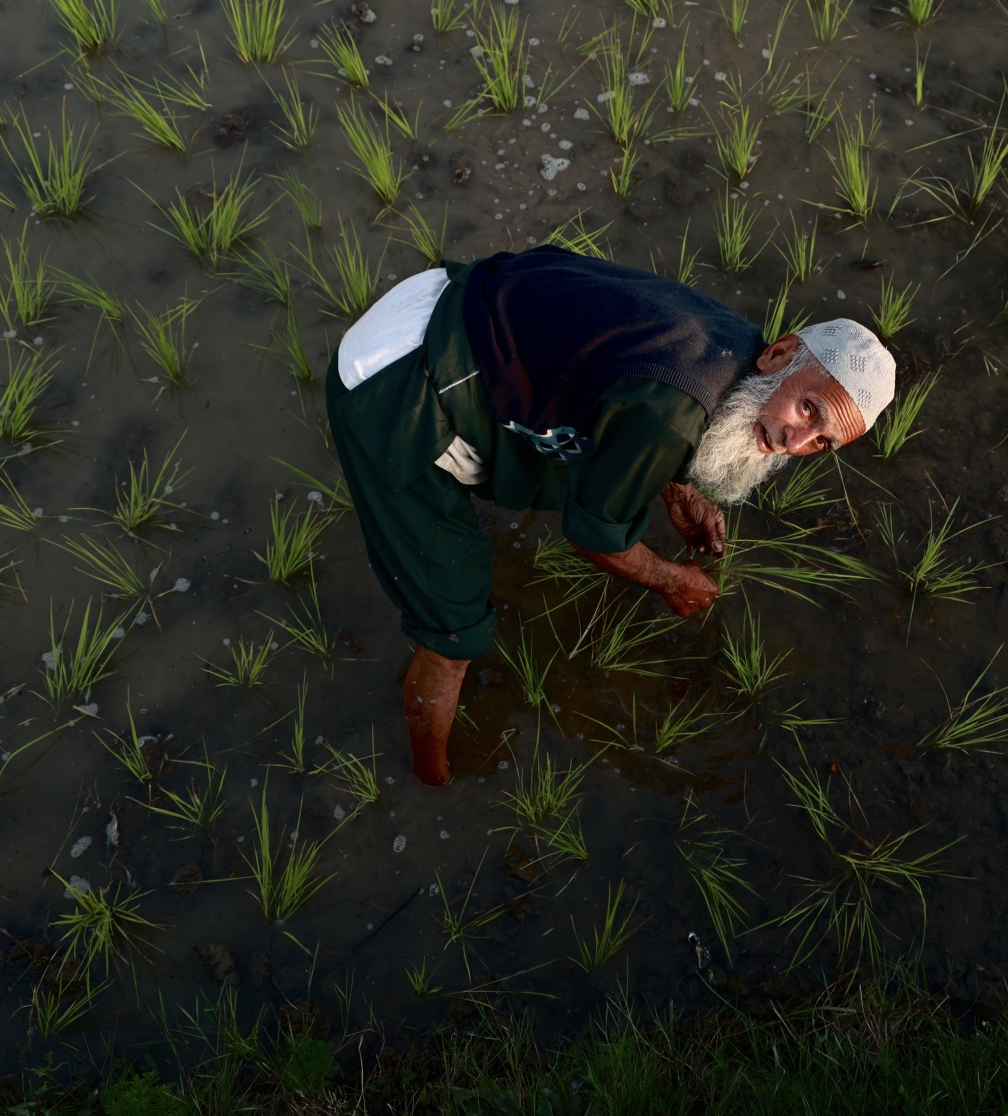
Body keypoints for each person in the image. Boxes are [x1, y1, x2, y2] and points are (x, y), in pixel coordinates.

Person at [325, 244, 896, 785]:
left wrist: (679, 488)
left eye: (821, 443)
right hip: (394, 380)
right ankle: (429, 780)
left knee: (579, 456)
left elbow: (634, 384)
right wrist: (674, 581)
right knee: (453, 631)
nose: (793, 441)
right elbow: (594, 536)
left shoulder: (731, 342)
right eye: (808, 407)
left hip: (452, 298)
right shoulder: (670, 415)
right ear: (781, 354)